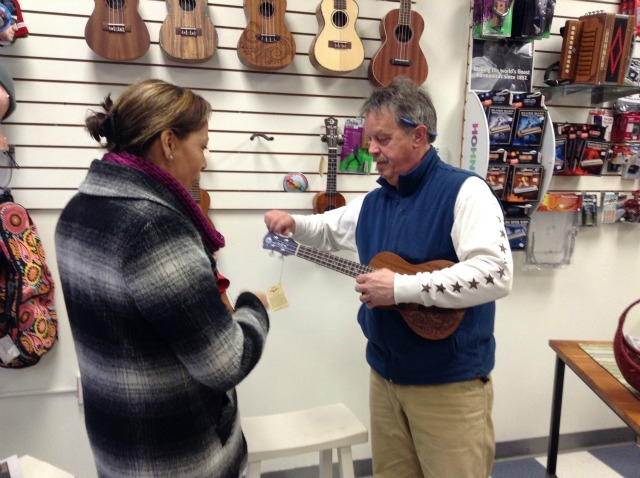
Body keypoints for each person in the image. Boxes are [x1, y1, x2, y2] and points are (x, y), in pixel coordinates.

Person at [264, 76, 513, 478]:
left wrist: (400, 288)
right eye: (368, 139)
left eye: (381, 139)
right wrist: (293, 222)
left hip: (449, 386)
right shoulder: (375, 201)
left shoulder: (466, 192)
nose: (371, 150)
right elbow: (329, 228)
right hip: (384, 378)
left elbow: (496, 274)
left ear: (418, 135)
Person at [55, 79, 270, 478]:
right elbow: (226, 362)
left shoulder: (77, 211)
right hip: (178, 458)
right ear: (169, 142)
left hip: (118, 448)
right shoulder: (154, 229)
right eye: (202, 146)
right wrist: (254, 307)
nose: (205, 161)